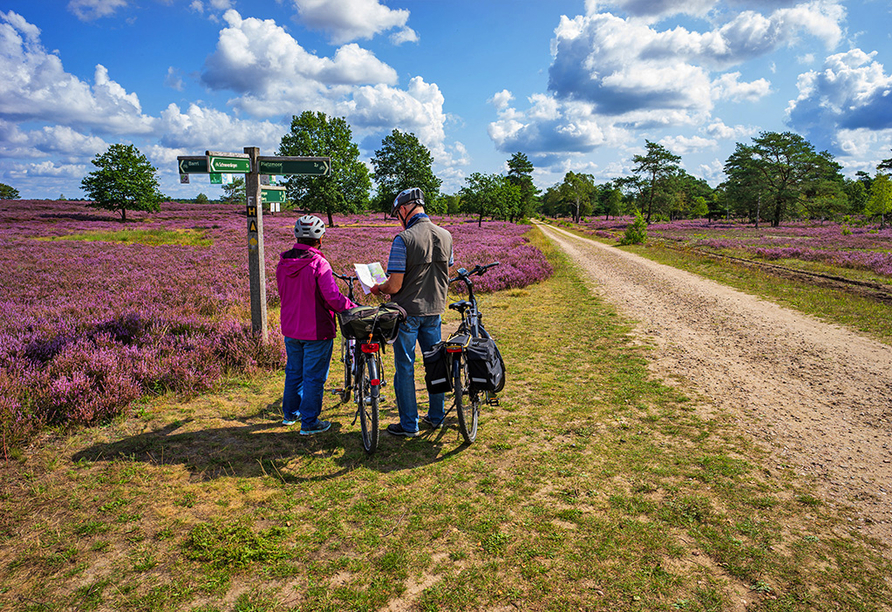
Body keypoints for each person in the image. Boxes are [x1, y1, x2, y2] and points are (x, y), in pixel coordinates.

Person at [371, 188, 453, 436]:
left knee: (405, 367)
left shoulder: (403, 239)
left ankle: (409, 425)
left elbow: (394, 285)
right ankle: (436, 417)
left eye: (398, 213)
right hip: (434, 311)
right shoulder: (446, 235)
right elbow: (446, 272)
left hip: (406, 314)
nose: (398, 218)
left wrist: (378, 288)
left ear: (405, 209)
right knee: (435, 364)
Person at [276, 215, 356, 434]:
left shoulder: (283, 263)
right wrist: (352, 307)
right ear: (320, 239)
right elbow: (332, 298)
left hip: (291, 328)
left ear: (296, 236)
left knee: (294, 372)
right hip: (317, 330)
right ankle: (310, 422)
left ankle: (290, 414)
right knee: (314, 377)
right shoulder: (319, 263)